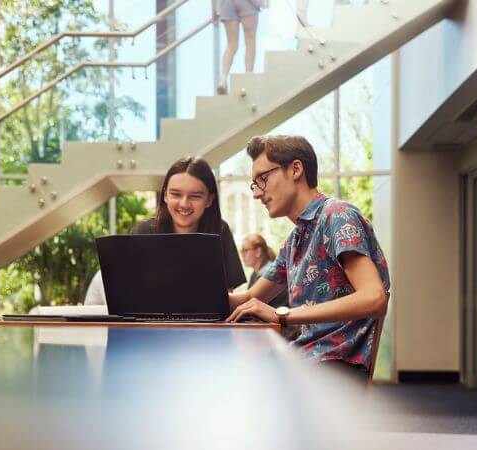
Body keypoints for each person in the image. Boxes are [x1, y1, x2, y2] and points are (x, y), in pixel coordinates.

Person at [227, 135, 390, 380]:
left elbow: (374, 297)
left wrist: (281, 315)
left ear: (295, 169)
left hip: (335, 366)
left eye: (263, 179)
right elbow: (250, 297)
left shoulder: (337, 216)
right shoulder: (295, 240)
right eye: (254, 184)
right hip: (307, 358)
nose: (257, 194)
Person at [132, 156, 246, 291]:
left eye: (195, 196)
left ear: (209, 200)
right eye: (176, 194)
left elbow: (226, 294)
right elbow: (132, 288)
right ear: (165, 196)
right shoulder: (144, 231)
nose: (184, 204)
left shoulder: (220, 230)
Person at [212, 0, 260, 95]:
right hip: (247, 3)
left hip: (226, 3)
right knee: (250, 40)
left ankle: (223, 79)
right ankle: (248, 77)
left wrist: (214, 9)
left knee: (231, 44)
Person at [241, 234, 288, 308]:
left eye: (245, 250)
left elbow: (250, 303)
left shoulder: (265, 274)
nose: (242, 254)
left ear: (258, 251)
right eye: (241, 251)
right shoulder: (255, 273)